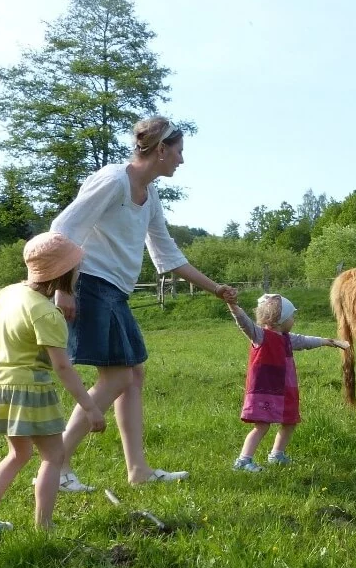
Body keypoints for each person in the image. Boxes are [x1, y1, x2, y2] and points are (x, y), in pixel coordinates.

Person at [49, 115, 236, 491]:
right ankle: (57, 462)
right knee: (117, 376)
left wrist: (215, 288)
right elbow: (62, 228)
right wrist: (62, 287)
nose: (182, 160)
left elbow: (166, 254)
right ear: (161, 149)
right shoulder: (113, 180)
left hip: (115, 291)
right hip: (90, 283)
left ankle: (138, 470)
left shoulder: (150, 194)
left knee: (133, 376)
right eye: (179, 152)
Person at [0, 233, 106, 536]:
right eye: (76, 267)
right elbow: (62, 366)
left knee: (18, 454)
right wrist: (90, 406)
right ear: (64, 273)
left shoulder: (8, 293)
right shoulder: (46, 313)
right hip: (29, 392)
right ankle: (44, 528)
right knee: (54, 457)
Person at [228, 293, 348, 472]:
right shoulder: (260, 336)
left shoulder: (286, 338)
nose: (293, 320)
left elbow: (305, 340)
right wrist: (234, 307)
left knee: (290, 421)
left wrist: (327, 342)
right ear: (280, 319)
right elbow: (245, 324)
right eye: (292, 316)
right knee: (262, 425)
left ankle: (277, 455)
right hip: (265, 390)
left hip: (285, 390)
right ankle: (244, 461)